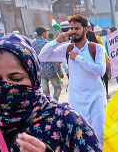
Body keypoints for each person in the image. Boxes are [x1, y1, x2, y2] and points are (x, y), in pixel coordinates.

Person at [38, 13, 108, 141]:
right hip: (76, 99)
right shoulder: (66, 49)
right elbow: (42, 57)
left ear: (85, 29)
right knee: (80, 135)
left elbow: (100, 71)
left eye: (77, 28)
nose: (73, 31)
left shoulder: (96, 48)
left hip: (96, 98)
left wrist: (79, 58)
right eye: (71, 28)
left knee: (99, 134)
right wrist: (57, 41)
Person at [32, 26, 63, 100]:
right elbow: (53, 59)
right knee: (57, 87)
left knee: (45, 90)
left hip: (40, 70)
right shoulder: (48, 44)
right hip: (50, 70)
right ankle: (55, 100)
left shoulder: (32, 44)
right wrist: (59, 71)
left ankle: (47, 101)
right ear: (43, 33)